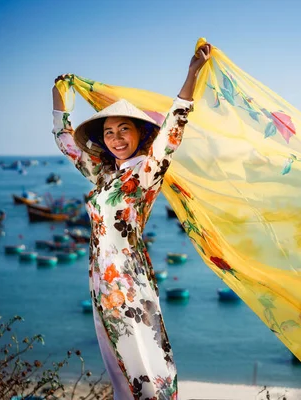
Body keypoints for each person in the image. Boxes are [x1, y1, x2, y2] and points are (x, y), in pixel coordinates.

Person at [51, 43, 212, 399]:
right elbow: (67, 144)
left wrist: (190, 76)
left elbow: (172, 131)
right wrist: (59, 102)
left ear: (140, 134)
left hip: (129, 282)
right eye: (109, 133)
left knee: (145, 367)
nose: (116, 138)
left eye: (124, 130)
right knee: (119, 371)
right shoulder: (104, 174)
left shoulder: (144, 172)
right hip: (101, 282)